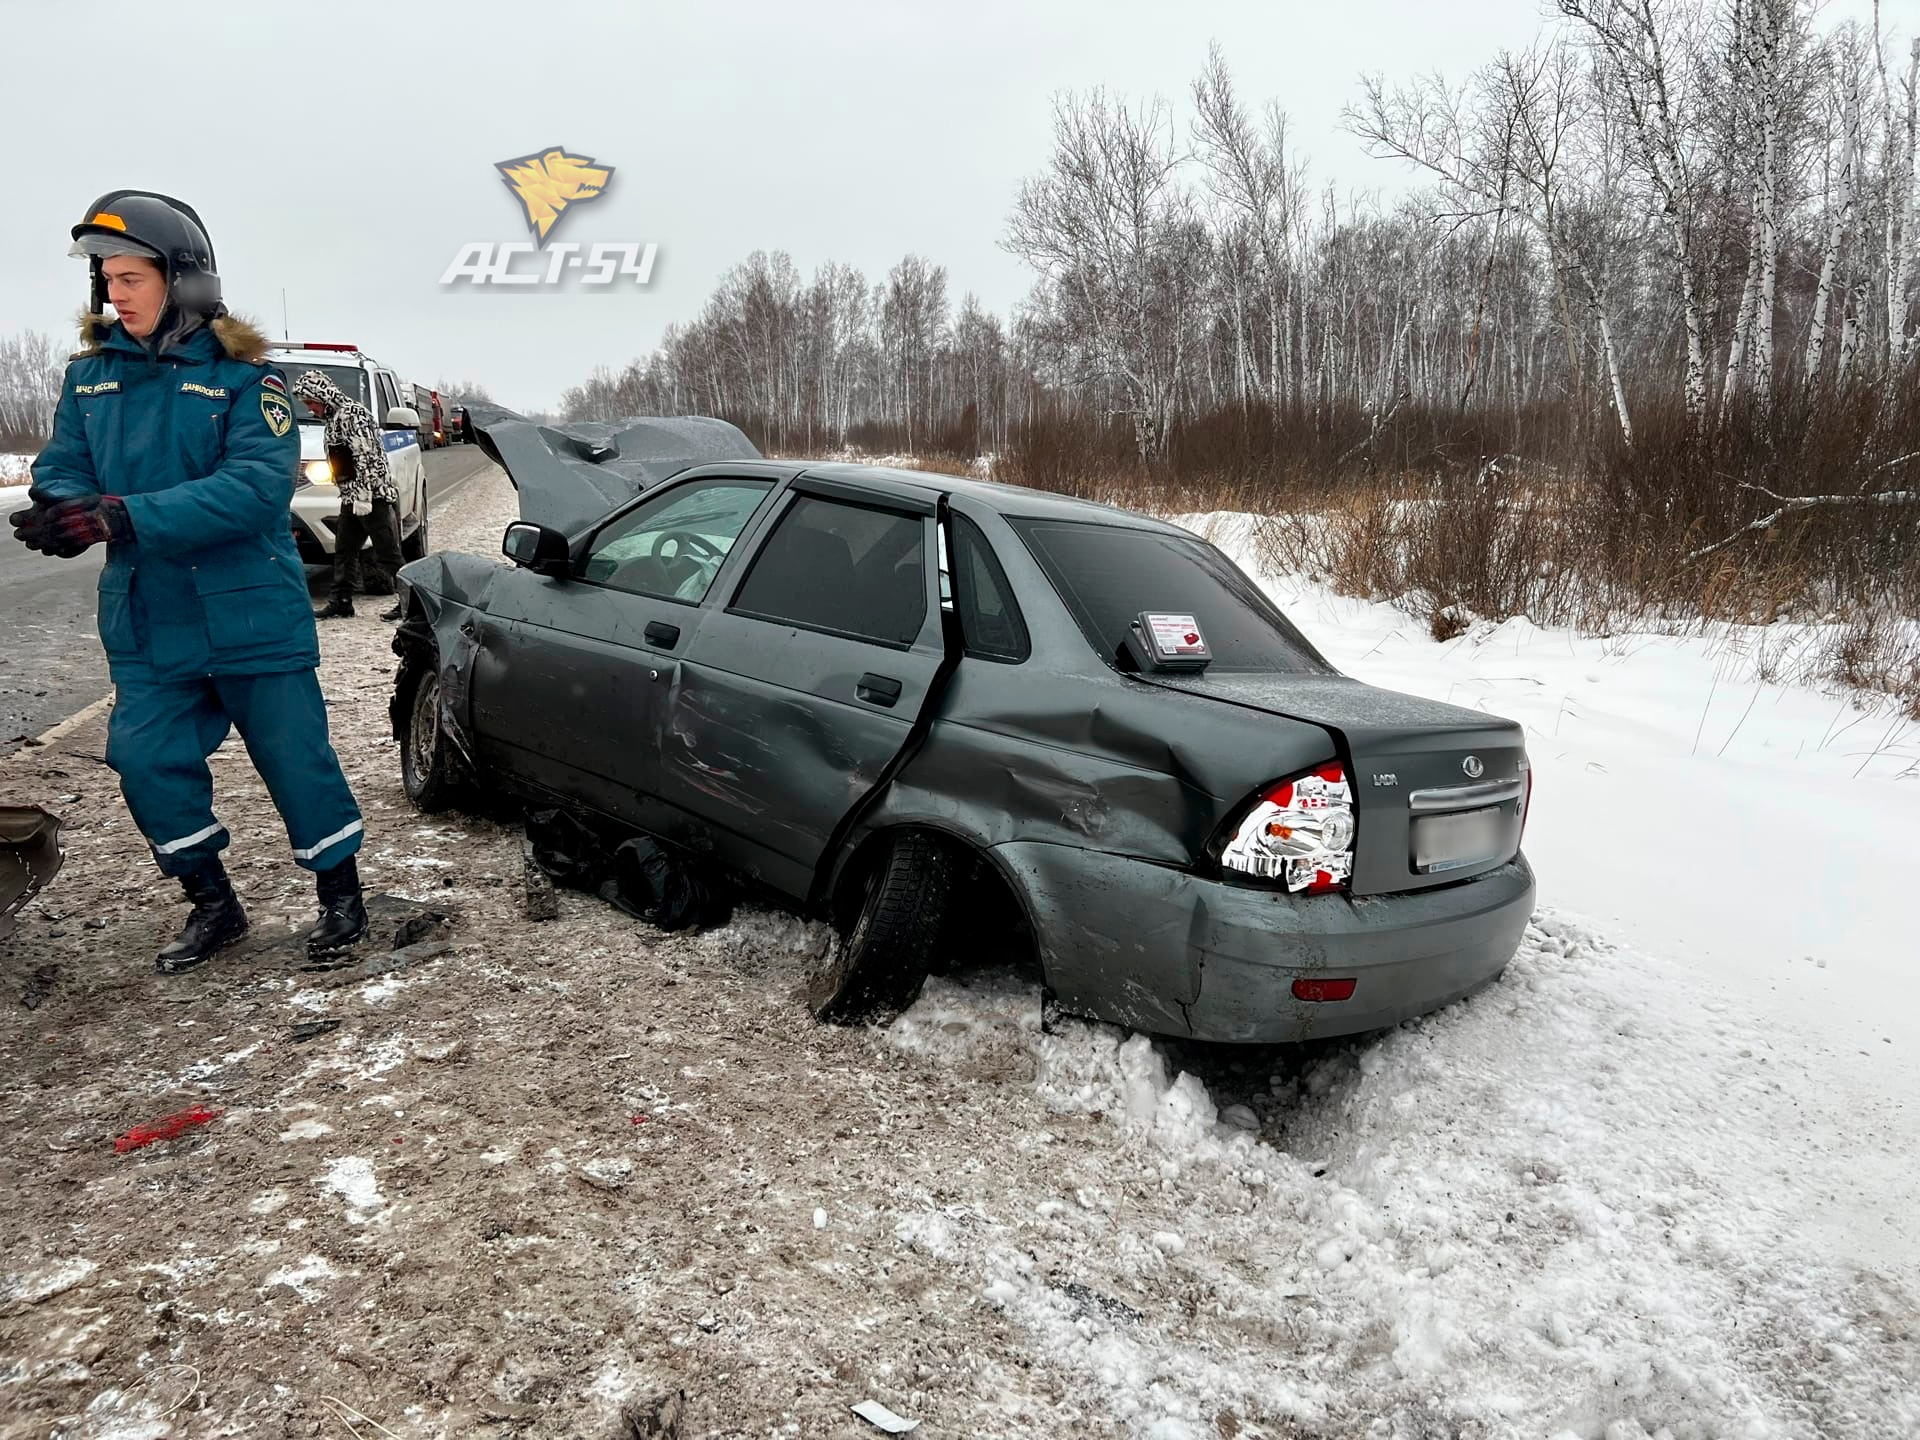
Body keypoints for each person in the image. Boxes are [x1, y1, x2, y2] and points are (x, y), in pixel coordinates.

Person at [8, 191, 370, 970]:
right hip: (150, 621)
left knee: (296, 761)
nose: (115, 293)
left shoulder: (247, 382)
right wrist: (64, 513)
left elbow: (253, 491)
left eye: (131, 276)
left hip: (249, 616)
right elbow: (64, 468)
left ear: (184, 279)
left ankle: (341, 894)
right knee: (145, 764)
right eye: (106, 278)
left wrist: (120, 517)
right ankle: (213, 903)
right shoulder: (90, 378)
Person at [293, 369, 406, 622]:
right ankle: (341, 601)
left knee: (387, 553)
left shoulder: (353, 415)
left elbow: (366, 456)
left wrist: (364, 497)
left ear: (322, 396)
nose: (310, 409)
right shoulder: (334, 418)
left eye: (311, 402)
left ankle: (414, 603)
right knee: (345, 549)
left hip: (370, 497)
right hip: (352, 496)